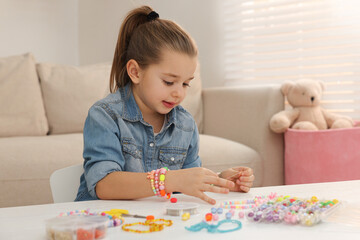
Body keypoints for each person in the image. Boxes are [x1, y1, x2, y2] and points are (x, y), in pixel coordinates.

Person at [75, 6, 254, 205]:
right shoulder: (105, 115)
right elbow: (104, 185)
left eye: (186, 83)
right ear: (135, 72)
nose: (179, 93)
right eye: (169, 82)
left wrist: (220, 181)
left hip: (156, 225)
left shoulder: (185, 124)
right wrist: (169, 180)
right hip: (104, 222)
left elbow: (186, 184)